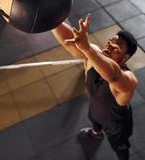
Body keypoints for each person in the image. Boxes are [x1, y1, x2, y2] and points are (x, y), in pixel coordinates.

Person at [52, 13, 138, 160]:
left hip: (115, 125)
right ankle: (96, 133)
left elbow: (113, 76)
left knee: (120, 147)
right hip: (95, 108)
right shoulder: (93, 55)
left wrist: (87, 49)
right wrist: (48, 18)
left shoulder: (128, 80)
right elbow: (68, 41)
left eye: (116, 48)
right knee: (94, 120)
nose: (109, 47)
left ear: (125, 58)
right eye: (110, 42)